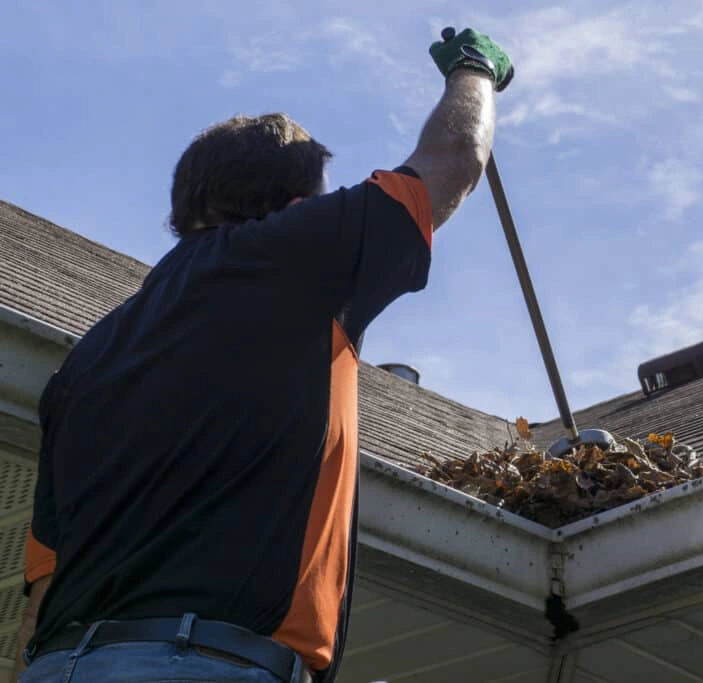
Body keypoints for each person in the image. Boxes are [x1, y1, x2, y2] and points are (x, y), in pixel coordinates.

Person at [13, 27, 513, 683]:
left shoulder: (86, 363)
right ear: (299, 205)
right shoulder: (291, 255)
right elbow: (454, 157)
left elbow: (39, 599)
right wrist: (474, 72)